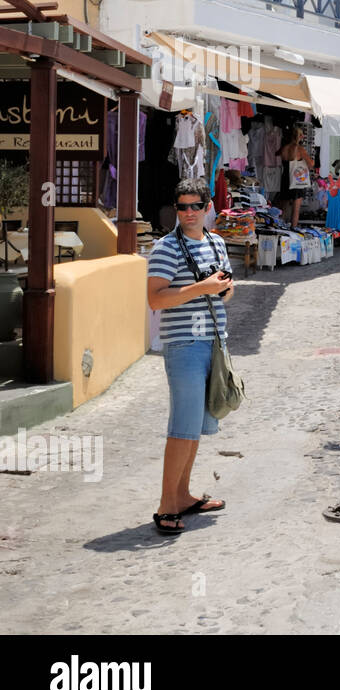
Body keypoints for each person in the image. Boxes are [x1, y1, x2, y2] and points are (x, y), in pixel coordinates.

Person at [145, 179, 234, 535]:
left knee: (195, 426)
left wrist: (225, 290)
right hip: (184, 344)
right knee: (182, 427)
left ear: (207, 207)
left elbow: (224, 293)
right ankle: (167, 505)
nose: (189, 213)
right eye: (182, 207)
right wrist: (204, 288)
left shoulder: (217, 243)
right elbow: (156, 299)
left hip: (213, 342)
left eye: (196, 206)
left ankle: (182, 496)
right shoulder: (166, 248)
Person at [280, 125, 312, 229]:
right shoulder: (300, 150)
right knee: (296, 208)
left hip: (285, 178)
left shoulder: (284, 148)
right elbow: (310, 164)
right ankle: (293, 230)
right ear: (299, 136)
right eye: (302, 135)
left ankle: (280, 227)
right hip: (296, 180)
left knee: (283, 207)